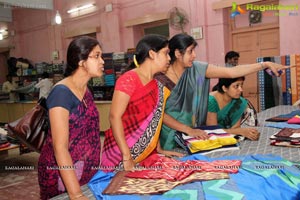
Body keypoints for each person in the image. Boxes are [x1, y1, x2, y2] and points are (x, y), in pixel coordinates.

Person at [155, 33, 288, 151]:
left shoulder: (197, 70)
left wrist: (264, 65)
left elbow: (231, 72)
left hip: (193, 135)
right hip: (168, 137)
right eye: (190, 51)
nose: (194, 56)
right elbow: (160, 114)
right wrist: (188, 130)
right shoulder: (161, 78)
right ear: (178, 53)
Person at [100, 34, 183, 172]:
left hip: (147, 156)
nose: (169, 58)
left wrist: (159, 150)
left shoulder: (158, 85)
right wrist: (127, 156)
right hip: (119, 155)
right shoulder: (129, 80)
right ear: (152, 54)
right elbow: (115, 117)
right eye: (166, 53)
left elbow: (154, 120)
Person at [38, 36, 104, 200]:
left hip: (87, 171)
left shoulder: (86, 91)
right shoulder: (61, 93)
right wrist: (76, 194)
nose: (102, 61)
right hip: (63, 175)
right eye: (97, 56)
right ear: (81, 61)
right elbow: (60, 148)